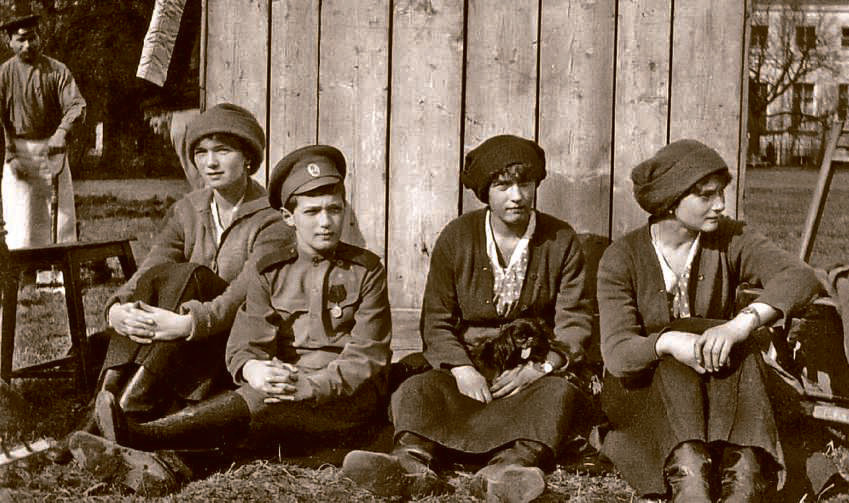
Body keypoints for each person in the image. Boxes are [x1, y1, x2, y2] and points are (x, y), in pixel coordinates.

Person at [69, 144, 393, 496]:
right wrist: (254, 369)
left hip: (346, 396)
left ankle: (139, 436)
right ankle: (156, 456)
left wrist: (311, 386)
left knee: (260, 407)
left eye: (334, 209)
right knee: (256, 402)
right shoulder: (270, 270)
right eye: (312, 212)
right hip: (280, 388)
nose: (326, 222)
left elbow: (368, 355)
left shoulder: (367, 271)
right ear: (289, 217)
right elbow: (243, 344)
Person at [342, 135, 594, 502]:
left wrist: (539, 369)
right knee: (417, 389)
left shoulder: (561, 240)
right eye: (503, 185)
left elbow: (575, 320)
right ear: (485, 192)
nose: (517, 196)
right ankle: (411, 464)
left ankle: (506, 472)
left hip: (529, 371)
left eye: (524, 183)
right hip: (469, 364)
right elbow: (436, 320)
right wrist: (461, 369)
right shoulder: (457, 237)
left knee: (557, 395)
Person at [47, 103, 289, 463]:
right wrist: (118, 309)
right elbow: (153, 267)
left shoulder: (271, 220)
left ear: (248, 158)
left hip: (231, 341)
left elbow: (243, 293)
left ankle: (120, 413)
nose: (210, 162)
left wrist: (188, 323)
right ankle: (106, 409)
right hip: (175, 343)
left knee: (191, 276)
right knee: (163, 277)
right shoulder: (188, 209)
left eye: (223, 151)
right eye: (201, 152)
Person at [597, 139, 820, 502]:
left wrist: (740, 324)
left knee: (743, 348)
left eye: (720, 193)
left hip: (716, 385)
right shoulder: (622, 257)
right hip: (645, 390)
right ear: (671, 200)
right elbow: (619, 354)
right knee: (680, 339)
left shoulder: (729, 238)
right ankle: (690, 478)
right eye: (705, 196)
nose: (720, 204)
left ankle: (743, 476)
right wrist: (667, 342)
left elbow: (800, 277)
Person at [0, 11, 85, 286]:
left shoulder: (57, 70)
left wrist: (61, 133)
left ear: (40, 37)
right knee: (20, 219)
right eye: (21, 40)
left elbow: (76, 105)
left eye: (32, 38)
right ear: (10, 42)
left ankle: (60, 276)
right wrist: (10, 153)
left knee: (62, 218)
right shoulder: (4, 74)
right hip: (18, 152)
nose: (28, 45)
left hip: (52, 151)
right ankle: (23, 276)